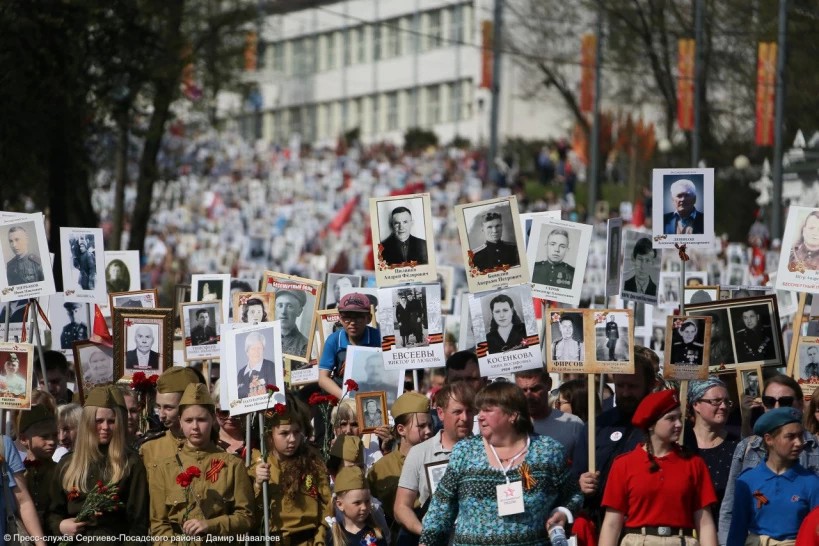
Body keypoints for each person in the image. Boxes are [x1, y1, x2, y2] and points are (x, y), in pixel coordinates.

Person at [419, 381, 583, 546]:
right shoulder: (465, 452)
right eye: (480, 410)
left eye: (488, 410)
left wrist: (562, 512)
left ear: (512, 415)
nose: (480, 416)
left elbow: (573, 495)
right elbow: (440, 509)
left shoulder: (548, 452)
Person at [598, 389, 718, 546]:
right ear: (651, 425)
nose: (679, 424)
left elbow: (705, 523)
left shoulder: (694, 464)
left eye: (680, 418)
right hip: (638, 541)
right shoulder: (624, 464)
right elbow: (612, 524)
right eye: (671, 418)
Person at [718, 375, 819, 546]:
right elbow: (733, 520)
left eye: (785, 401)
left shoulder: (811, 482)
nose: (798, 443)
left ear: (801, 404)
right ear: (769, 439)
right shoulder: (747, 477)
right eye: (769, 401)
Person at [149, 383, 255, 541]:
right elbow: (158, 525)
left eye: (201, 419)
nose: (195, 427)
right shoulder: (164, 468)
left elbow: (246, 517)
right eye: (189, 420)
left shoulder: (232, 465)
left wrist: (210, 525)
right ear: (180, 421)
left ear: (212, 419)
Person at [47, 386, 149, 541]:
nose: (105, 427)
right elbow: (52, 512)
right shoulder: (68, 463)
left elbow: (138, 523)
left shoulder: (131, 463)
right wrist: (60, 526)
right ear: (88, 422)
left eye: (112, 421)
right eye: (99, 421)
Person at [572, 348, 658, 527]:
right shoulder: (598, 425)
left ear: (650, 385)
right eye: (620, 386)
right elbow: (574, 475)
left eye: (633, 386)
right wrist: (581, 483)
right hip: (602, 521)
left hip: (647, 523)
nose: (625, 393)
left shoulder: (666, 425)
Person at [394, 382, 476, 544]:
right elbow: (401, 507)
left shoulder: (488, 450)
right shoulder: (420, 453)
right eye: (457, 412)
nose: (465, 418)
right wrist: (426, 533)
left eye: (470, 411)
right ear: (440, 413)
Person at [252, 392, 332, 545]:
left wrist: (320, 538)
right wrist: (257, 484)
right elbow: (249, 512)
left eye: (296, 432)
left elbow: (327, 504)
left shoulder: (312, 462)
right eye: (284, 433)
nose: (292, 439)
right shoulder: (257, 464)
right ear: (269, 435)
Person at [684, 378, 740, 536]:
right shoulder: (680, 444)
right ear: (696, 405)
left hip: (726, 534)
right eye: (716, 401)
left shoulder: (738, 446)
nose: (723, 407)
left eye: (726, 402)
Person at [368, 392, 433, 526]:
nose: (428, 431)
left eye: (430, 425)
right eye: (421, 426)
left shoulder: (438, 458)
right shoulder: (382, 468)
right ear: (401, 429)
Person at [140, 367, 206, 470]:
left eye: (168, 408)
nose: (161, 415)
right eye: (158, 407)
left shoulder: (212, 447)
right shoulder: (149, 448)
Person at [318, 293, 381, 400]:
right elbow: (323, 378)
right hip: (342, 393)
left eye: (358, 317)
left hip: (374, 392)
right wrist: (345, 398)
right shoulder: (333, 341)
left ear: (369, 318)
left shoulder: (379, 338)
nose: (352, 322)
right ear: (340, 319)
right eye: (347, 317)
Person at [515, 369, 583, 455]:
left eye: (535, 389)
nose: (529, 396)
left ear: (549, 384)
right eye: (523, 390)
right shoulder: (506, 425)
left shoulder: (574, 425)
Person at [18, 405, 58, 524]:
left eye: (55, 435)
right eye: (44, 436)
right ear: (24, 439)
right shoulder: (18, 474)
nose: (51, 442)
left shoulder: (60, 471)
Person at [333, 467, 388, 546]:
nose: (364, 507)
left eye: (367, 501)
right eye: (357, 503)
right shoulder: (334, 536)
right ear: (340, 505)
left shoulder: (376, 533)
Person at [236, 331, 277, 398]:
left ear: (263, 350)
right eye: (253, 349)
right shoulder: (241, 373)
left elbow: (274, 393)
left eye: (259, 348)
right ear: (247, 352)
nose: (256, 352)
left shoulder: (271, 367)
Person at [276, 289, 309, 358]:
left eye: (289, 306)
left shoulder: (305, 346)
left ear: (299, 311)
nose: (283, 312)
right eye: (280, 305)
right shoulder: (264, 338)